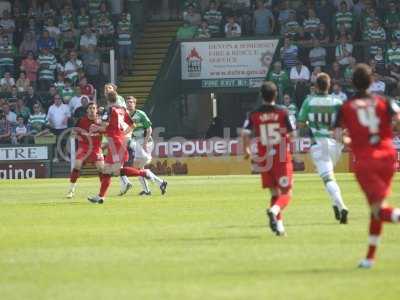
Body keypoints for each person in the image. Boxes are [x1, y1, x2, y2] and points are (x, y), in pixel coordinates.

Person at [334, 63, 400, 268]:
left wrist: (351, 142)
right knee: (375, 210)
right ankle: (370, 258)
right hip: (388, 156)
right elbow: (397, 120)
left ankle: (370, 258)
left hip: (366, 161)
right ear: (372, 81)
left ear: (352, 83)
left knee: (379, 210)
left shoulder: (345, 107)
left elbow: (337, 135)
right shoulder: (385, 101)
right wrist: (387, 132)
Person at [87, 91, 167, 204]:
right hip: (118, 141)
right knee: (107, 171)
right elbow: (132, 125)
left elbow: (104, 127)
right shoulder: (122, 110)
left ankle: (144, 173)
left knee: (115, 171)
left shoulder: (109, 110)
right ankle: (100, 197)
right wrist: (122, 134)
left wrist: (95, 127)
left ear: (108, 99)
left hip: (115, 142)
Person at [241, 81, 295, 236]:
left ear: (261, 96)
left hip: (264, 159)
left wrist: (247, 149)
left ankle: (279, 227)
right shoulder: (283, 112)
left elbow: (245, 133)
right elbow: (292, 134)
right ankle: (274, 210)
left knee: (274, 194)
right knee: (286, 193)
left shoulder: (254, 114)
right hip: (281, 158)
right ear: (275, 94)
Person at [298, 73, 349, 224]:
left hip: (320, 144)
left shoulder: (309, 101)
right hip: (336, 144)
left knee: (328, 178)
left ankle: (342, 206)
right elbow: (344, 125)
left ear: (315, 85)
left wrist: (310, 126)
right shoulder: (337, 101)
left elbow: (301, 124)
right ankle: (335, 206)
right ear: (329, 85)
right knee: (328, 175)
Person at [67, 103, 104, 198]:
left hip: (96, 148)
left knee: (101, 168)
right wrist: (74, 134)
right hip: (84, 147)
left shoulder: (101, 121)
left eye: (94, 108)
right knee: (77, 165)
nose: (92, 110)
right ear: (87, 110)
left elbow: (107, 130)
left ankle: (103, 192)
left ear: (97, 110)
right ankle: (71, 190)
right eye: (90, 108)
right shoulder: (81, 120)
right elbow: (74, 131)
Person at [119, 96, 154, 196]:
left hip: (145, 142)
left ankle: (156, 183)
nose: (129, 104)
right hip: (135, 143)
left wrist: (144, 144)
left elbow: (149, 129)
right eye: (128, 102)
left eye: (131, 102)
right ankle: (148, 189)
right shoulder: (124, 115)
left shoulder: (140, 114)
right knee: (138, 168)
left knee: (138, 168)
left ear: (135, 104)